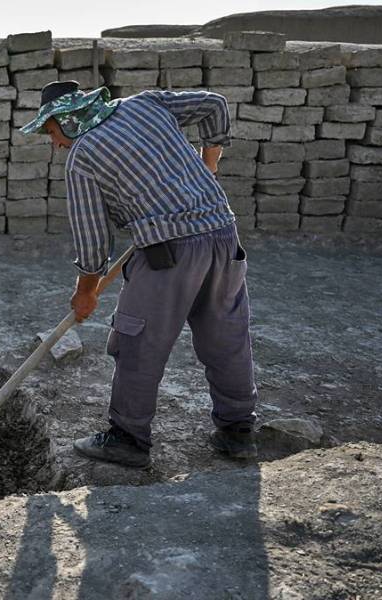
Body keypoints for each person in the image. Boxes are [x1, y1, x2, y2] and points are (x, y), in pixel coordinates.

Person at [20, 81, 258, 468]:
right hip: (223, 234)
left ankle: (128, 438)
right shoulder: (145, 104)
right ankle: (238, 432)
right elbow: (215, 103)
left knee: (138, 341)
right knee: (226, 336)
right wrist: (209, 163)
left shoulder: (83, 155)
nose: (55, 144)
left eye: (51, 132)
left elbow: (93, 243)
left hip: (169, 254)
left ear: (67, 119)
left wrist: (86, 292)